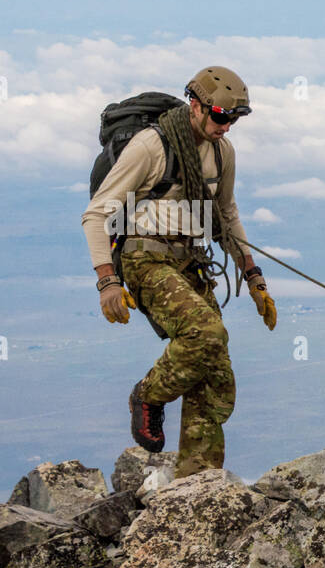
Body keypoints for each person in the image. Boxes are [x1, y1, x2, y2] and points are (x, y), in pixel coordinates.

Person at [82, 66, 275, 480]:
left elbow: (225, 215)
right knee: (205, 333)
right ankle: (148, 395)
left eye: (234, 118)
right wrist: (107, 281)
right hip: (145, 257)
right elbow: (98, 213)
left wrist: (253, 276)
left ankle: (197, 478)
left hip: (190, 261)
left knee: (215, 370)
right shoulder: (152, 146)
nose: (227, 126)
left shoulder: (222, 153)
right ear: (196, 105)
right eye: (222, 115)